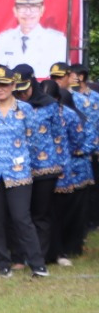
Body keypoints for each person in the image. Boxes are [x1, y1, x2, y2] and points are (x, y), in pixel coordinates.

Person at [0, 64, 47, 277]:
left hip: (18, 173)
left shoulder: (25, 109)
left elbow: (34, 140)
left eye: (4, 84)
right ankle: (2, 264)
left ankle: (37, 264)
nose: (0, 88)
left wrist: (21, 159)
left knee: (21, 218)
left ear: (13, 85)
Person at [16, 64, 65, 265]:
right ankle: (23, 254)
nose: (22, 94)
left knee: (41, 214)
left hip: (46, 167)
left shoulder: (50, 105)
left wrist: (63, 166)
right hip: (20, 169)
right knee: (22, 215)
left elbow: (59, 136)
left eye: (25, 89)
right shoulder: (13, 105)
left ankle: (41, 257)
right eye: (18, 90)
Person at [50, 82, 90, 265]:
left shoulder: (71, 115)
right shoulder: (34, 113)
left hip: (70, 172)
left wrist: (65, 153)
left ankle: (67, 248)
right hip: (46, 172)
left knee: (67, 212)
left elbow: (78, 141)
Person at [0, 0, 67, 73]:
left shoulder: (57, 41)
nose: (28, 13)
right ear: (15, 11)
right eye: (22, 7)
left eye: (34, 7)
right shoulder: (4, 39)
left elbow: (60, 77)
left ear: (42, 10)